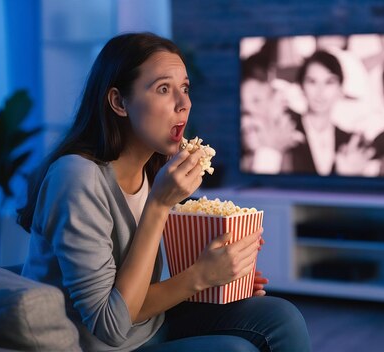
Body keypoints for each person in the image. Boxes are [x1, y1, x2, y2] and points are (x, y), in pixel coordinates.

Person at [17, 32, 311, 352]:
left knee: (281, 316)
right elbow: (110, 327)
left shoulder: (153, 169)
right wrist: (166, 217)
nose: (184, 104)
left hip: (149, 325)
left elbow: (141, 291)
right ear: (119, 102)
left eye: (184, 88)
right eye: (163, 89)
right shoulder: (76, 178)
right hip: (97, 345)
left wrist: (221, 273)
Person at [284, 50, 372, 176]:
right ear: (301, 86)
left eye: (329, 82)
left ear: (340, 89)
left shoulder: (349, 142)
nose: (320, 91)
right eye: (312, 82)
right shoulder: (286, 131)